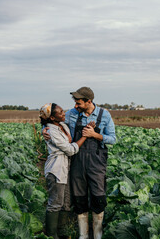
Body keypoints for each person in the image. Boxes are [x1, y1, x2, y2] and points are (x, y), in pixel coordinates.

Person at [43, 87, 116, 239]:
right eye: (75, 103)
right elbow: (53, 123)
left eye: (79, 103)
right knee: (79, 196)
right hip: (77, 161)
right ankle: (83, 235)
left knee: (98, 196)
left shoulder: (104, 115)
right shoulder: (72, 114)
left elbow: (112, 139)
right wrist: (44, 129)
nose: (75, 106)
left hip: (96, 162)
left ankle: (97, 234)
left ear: (89, 101)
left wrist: (95, 135)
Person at [39, 103, 94, 239]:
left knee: (65, 202)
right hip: (56, 170)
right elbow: (70, 150)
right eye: (60, 112)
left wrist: (42, 129)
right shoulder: (51, 131)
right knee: (55, 203)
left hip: (66, 169)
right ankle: (51, 234)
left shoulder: (61, 125)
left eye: (63, 111)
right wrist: (86, 136)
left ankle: (62, 231)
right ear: (52, 118)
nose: (64, 113)